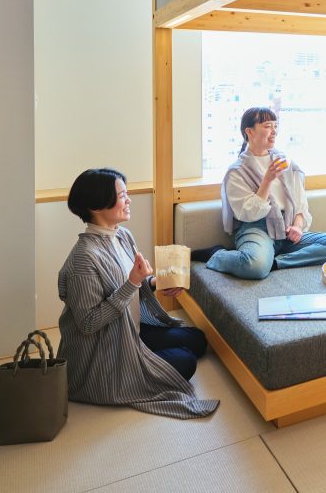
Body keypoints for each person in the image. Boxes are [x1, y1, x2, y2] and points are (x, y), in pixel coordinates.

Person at [57, 167, 218, 418]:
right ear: (97, 206)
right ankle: (139, 360)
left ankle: (143, 352)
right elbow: (88, 323)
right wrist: (133, 282)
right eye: (122, 195)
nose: (129, 200)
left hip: (130, 330)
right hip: (105, 352)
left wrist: (156, 283)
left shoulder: (122, 236)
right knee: (186, 360)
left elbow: (133, 284)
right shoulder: (83, 259)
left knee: (197, 339)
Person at [192, 107, 326, 279]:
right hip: (256, 229)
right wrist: (267, 180)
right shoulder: (237, 171)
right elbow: (248, 213)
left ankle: (274, 263)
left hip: (286, 229)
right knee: (255, 266)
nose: (274, 131)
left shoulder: (285, 162)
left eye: (275, 126)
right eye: (267, 126)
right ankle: (216, 254)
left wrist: (297, 226)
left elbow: (300, 203)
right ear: (249, 131)